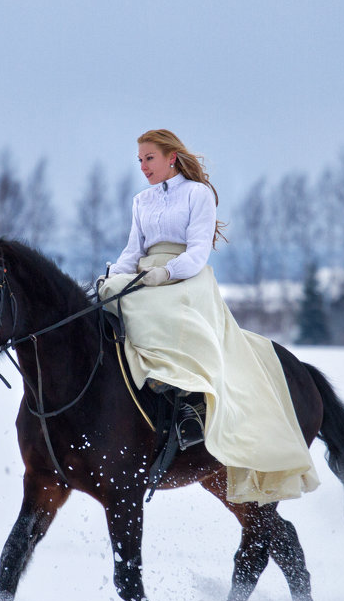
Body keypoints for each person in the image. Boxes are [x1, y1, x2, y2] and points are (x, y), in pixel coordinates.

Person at [99, 130, 319, 504]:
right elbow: (131, 250)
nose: (143, 166)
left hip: (184, 278)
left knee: (159, 316)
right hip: (144, 274)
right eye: (139, 160)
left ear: (171, 158)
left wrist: (165, 274)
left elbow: (198, 251)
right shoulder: (141, 201)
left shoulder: (198, 195)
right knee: (106, 307)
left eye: (149, 158)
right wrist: (112, 277)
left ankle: (186, 404)